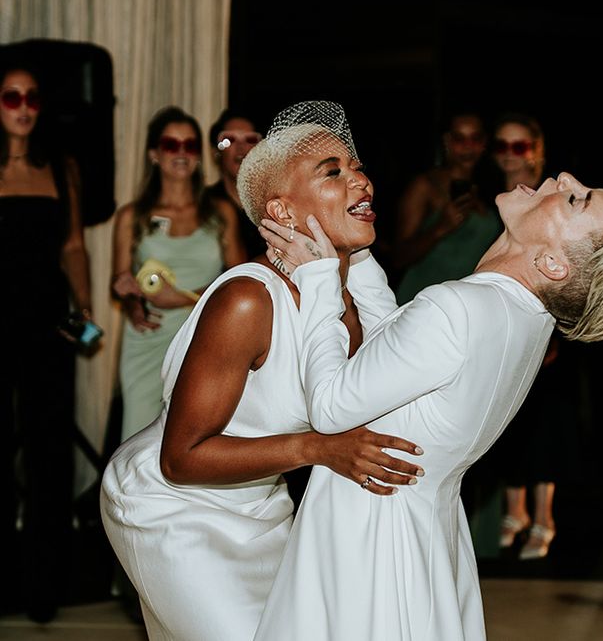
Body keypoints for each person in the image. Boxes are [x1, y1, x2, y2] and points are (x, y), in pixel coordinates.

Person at [254, 155, 603, 640]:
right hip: (423, 531)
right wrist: (357, 256)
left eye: (577, 198)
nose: (564, 178)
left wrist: (317, 281)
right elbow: (400, 347)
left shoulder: (461, 308)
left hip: (369, 532)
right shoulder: (525, 318)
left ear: (552, 263)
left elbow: (328, 407)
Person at [100, 101, 424, 641]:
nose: (360, 181)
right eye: (333, 172)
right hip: (169, 505)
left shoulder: (352, 302)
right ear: (283, 212)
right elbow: (181, 458)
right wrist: (318, 450)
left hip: (261, 503)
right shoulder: (249, 300)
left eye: (359, 166)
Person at [0, 62, 94, 622]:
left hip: (45, 322)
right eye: (11, 96)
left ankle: (42, 587)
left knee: (49, 454)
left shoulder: (62, 167)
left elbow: (74, 246)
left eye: (32, 96)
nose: (24, 106)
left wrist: (81, 311)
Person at [111, 106, 248, 442]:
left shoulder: (221, 213)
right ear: (154, 155)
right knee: (139, 441)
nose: (182, 153)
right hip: (149, 336)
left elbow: (242, 279)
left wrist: (188, 297)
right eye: (172, 146)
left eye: (189, 146)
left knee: (194, 440)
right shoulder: (132, 216)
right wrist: (130, 300)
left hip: (204, 334)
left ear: (199, 156)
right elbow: (120, 281)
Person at [477, 111, 577, 559]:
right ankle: (514, 510)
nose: (510, 156)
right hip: (502, 311)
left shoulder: (553, 197)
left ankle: (545, 516)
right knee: (509, 416)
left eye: (519, 146)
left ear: (535, 149)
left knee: (545, 422)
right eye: (501, 145)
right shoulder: (497, 195)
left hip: (549, 317)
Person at [392, 108, 502, 303]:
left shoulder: (492, 186)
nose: (468, 147)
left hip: (468, 301)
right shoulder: (425, 186)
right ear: (447, 141)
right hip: (423, 300)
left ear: (484, 143)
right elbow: (399, 257)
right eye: (460, 139)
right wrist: (440, 228)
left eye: (475, 138)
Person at [207, 107, 266, 259]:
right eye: (229, 140)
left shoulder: (276, 204)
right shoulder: (203, 205)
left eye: (250, 140)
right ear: (216, 152)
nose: (241, 148)